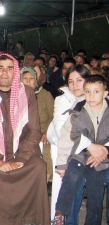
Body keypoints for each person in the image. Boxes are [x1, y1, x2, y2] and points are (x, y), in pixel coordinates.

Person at [0, 54, 50, 225]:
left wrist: (20, 159)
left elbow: (34, 131)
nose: (5, 72)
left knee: (38, 166)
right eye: (0, 68)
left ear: (15, 72)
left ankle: (29, 219)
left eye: (10, 68)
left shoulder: (27, 93)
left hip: (21, 151)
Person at [52, 75, 109, 225]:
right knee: (72, 174)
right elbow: (66, 138)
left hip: (102, 158)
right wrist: (61, 164)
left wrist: (104, 152)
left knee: (96, 190)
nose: (91, 96)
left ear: (105, 93)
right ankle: (61, 213)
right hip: (80, 155)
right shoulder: (77, 113)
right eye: (88, 91)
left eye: (96, 92)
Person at [47, 65, 90, 224]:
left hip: (100, 153)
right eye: (71, 81)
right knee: (73, 175)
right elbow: (61, 130)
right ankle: (67, 220)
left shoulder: (98, 97)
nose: (75, 85)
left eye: (80, 80)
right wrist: (90, 146)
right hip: (75, 152)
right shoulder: (61, 100)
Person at [21, 67, 54, 182]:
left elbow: (53, 116)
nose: (28, 81)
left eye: (31, 78)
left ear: (35, 80)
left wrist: (46, 132)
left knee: (46, 150)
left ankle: (41, 185)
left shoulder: (45, 95)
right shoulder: (15, 95)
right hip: (23, 134)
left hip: (42, 132)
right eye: (25, 78)